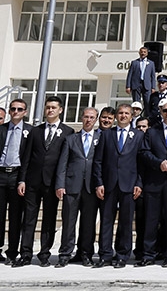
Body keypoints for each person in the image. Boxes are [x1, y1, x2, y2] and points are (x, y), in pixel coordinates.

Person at [16, 95, 74, 267]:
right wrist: (22, 180)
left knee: (49, 220)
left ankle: (44, 254)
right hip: (32, 182)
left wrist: (61, 183)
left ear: (60, 110)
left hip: (52, 184)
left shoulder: (68, 132)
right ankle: (25, 253)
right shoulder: (36, 131)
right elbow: (26, 158)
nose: (50, 110)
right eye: (48, 107)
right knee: (29, 219)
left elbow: (67, 161)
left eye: (53, 107)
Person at [92, 103, 144, 268]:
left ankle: (122, 255)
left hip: (129, 185)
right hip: (109, 184)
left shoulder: (138, 136)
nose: (123, 116)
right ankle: (105, 255)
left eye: (126, 113)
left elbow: (142, 163)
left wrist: (139, 183)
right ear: (116, 116)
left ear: (131, 116)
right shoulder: (107, 135)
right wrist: (99, 183)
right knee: (106, 221)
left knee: (126, 222)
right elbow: (98, 161)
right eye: (120, 113)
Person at [136, 101, 167, 267]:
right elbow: (144, 152)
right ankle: (148, 254)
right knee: (151, 220)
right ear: (160, 111)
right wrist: (159, 163)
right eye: (165, 110)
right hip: (154, 182)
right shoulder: (151, 132)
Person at [54, 107, 100, 268]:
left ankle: (86, 254)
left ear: (96, 120)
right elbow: (63, 164)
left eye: (92, 117)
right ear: (81, 118)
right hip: (71, 187)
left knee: (88, 223)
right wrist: (60, 184)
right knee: (68, 222)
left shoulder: (100, 138)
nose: (88, 120)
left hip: (91, 187)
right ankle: (65, 254)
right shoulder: (71, 139)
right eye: (86, 117)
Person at [0, 98, 32, 265]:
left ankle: (12, 251)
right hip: (1, 173)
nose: (16, 112)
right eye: (13, 109)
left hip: (17, 176)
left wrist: (23, 180)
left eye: (20, 109)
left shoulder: (30, 131)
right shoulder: (2, 129)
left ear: (25, 112)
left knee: (15, 216)